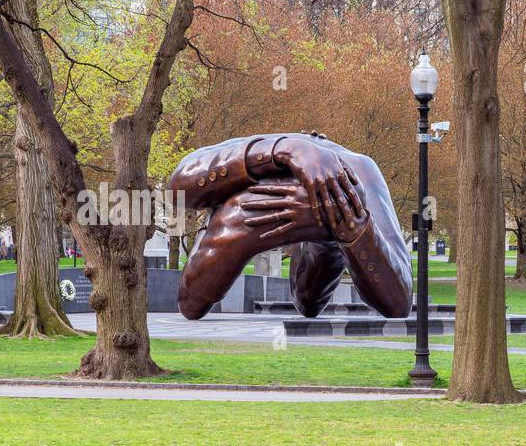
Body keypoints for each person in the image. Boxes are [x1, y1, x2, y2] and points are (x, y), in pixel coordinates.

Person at [168, 132, 412, 320]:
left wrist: (342, 219)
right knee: (236, 215)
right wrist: (284, 149)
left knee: (308, 298)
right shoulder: (252, 153)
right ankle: (236, 222)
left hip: (329, 220)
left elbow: (398, 301)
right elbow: (177, 190)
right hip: (256, 182)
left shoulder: (357, 172)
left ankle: (325, 235)